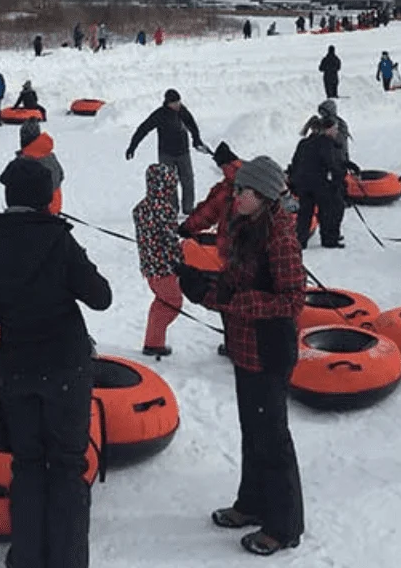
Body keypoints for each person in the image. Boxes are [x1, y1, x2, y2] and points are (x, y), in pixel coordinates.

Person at [0, 157, 112, 568]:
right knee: (67, 467)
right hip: (65, 366)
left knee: (28, 464)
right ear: (47, 198)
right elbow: (101, 296)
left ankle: (28, 558)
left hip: (17, 368)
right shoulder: (59, 240)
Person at [193, 156, 306, 556]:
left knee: (272, 438)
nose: (235, 195)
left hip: (270, 350)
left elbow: (292, 300)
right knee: (252, 431)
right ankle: (252, 504)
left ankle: (284, 525)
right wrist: (205, 289)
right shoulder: (246, 226)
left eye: (243, 191)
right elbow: (235, 283)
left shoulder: (280, 237)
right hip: (244, 348)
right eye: (237, 189)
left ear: (263, 196)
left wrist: (239, 301)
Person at [126, 89, 207, 213]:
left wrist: (196, 140)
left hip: (183, 153)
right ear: (168, 103)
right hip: (166, 154)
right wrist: (133, 146)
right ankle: (172, 209)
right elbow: (143, 129)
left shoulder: (182, 111)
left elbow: (192, 125)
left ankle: (188, 208)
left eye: (178, 102)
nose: (177, 105)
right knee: (169, 183)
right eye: (174, 103)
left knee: (188, 180)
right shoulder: (160, 114)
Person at [133, 163, 183, 358]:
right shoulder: (164, 210)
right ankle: (154, 343)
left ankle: (153, 340)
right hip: (164, 266)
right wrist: (180, 260)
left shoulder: (141, 208)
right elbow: (170, 240)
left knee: (162, 301)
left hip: (149, 265)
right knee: (173, 302)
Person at [287, 118, 355, 250]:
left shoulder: (303, 143)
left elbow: (295, 163)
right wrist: (340, 178)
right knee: (329, 211)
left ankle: (300, 241)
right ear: (328, 130)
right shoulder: (326, 143)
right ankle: (330, 239)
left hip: (303, 184)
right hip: (320, 184)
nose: (336, 132)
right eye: (335, 129)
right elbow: (332, 164)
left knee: (305, 213)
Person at [15, 119, 65, 215]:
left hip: (42, 210)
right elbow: (61, 176)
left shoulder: (27, 160)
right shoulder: (50, 155)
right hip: (56, 205)